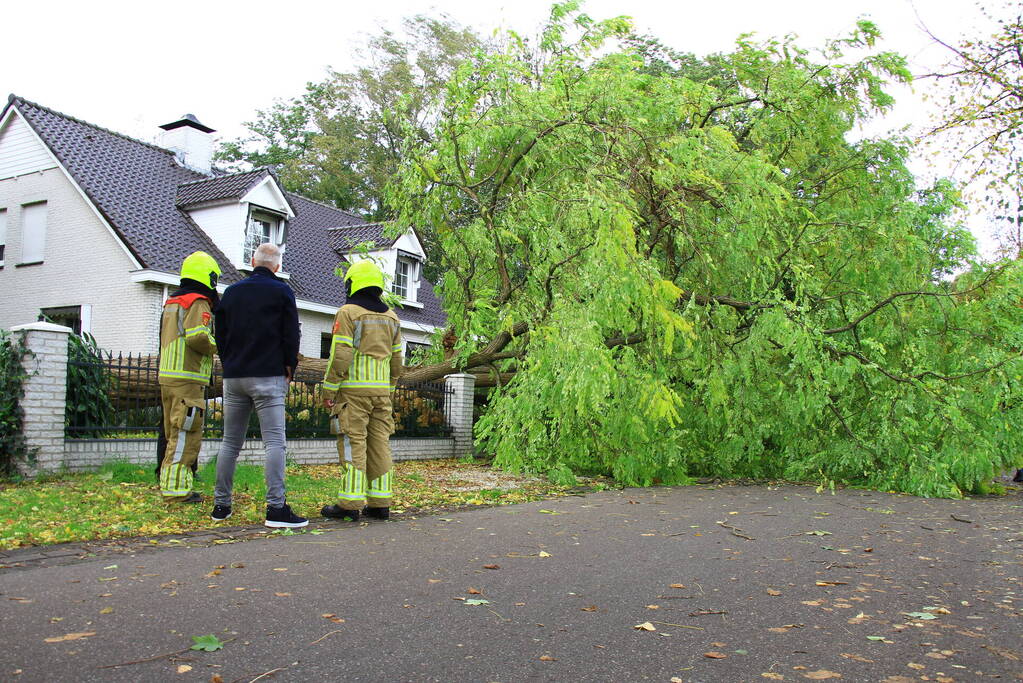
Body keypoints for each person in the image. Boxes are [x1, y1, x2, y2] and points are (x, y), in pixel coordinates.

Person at [212, 243, 307, 528]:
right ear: (277, 266)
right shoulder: (282, 292)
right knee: (274, 442)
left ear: (253, 261)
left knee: (230, 442)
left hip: (235, 376)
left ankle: (221, 505)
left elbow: (220, 333)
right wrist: (290, 365)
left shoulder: (231, 292)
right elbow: (291, 333)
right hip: (268, 375)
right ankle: (276, 509)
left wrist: (229, 362)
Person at [320, 260, 404, 522]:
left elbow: (341, 354)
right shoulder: (392, 317)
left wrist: (329, 388)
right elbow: (397, 359)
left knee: (352, 441)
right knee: (379, 444)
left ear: (352, 283)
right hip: (381, 394)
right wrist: (389, 388)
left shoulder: (348, 312)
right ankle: (380, 504)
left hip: (353, 392)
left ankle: (349, 504)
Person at [157, 251, 220, 503]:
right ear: (209, 277)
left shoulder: (172, 302)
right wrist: (219, 345)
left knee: (171, 433)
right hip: (188, 378)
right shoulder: (198, 302)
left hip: (168, 377)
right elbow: (198, 337)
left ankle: (169, 484)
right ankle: (176, 491)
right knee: (185, 433)